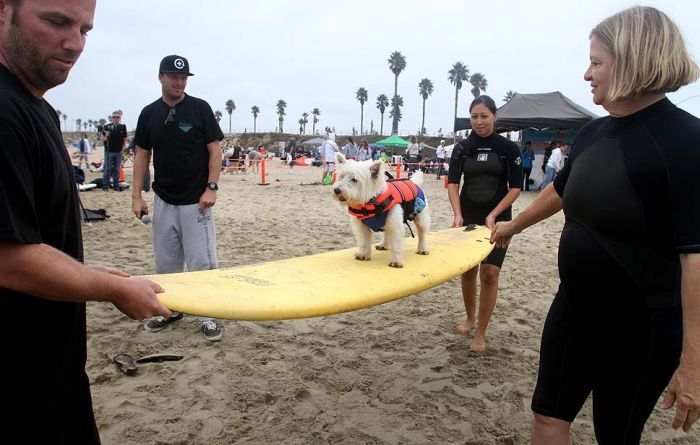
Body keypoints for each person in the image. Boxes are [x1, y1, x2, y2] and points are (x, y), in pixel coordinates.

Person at [490, 6, 700, 443]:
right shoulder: (592, 133)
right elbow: (563, 189)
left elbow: (695, 257)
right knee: (547, 417)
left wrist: (694, 361)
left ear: (632, 60)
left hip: (643, 326)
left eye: (596, 62)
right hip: (574, 308)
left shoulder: (687, 142)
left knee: (615, 435)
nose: (587, 74)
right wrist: (515, 226)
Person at [0, 1, 171, 443]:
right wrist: (111, 288)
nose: (74, 43)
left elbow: (30, 230)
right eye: (56, 22)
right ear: (4, 11)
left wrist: (86, 273)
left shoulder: (34, 105)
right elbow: (8, 258)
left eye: (85, 30)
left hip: (50, 363)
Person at [131, 54, 225, 342]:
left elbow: (215, 151)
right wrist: (136, 195)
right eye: (173, 76)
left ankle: (209, 316)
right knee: (167, 263)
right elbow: (142, 156)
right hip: (163, 200)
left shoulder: (199, 108)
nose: (179, 82)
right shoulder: (149, 113)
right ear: (161, 77)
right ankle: (170, 310)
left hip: (196, 201)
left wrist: (212, 187)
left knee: (202, 263)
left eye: (183, 77)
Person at [447, 95, 523, 352]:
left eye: (484, 116)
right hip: (468, 216)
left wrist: (493, 215)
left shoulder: (508, 149)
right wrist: (457, 214)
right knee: (468, 270)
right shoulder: (462, 148)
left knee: (490, 273)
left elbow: (515, 188)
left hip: (498, 219)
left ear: (494, 117)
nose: (478, 121)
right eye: (474, 116)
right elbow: (454, 184)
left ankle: (481, 332)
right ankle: (470, 318)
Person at [101, 110, 127, 191]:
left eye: (117, 117)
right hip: (109, 151)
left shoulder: (122, 127)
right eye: (114, 117)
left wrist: (123, 149)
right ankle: (106, 186)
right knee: (107, 169)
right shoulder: (106, 127)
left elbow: (124, 139)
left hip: (118, 151)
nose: (115, 118)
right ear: (112, 118)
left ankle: (116, 186)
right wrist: (107, 135)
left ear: (120, 118)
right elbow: (103, 139)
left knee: (117, 169)